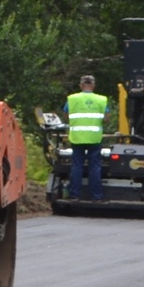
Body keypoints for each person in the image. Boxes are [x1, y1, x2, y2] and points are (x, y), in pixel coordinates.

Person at [63, 74, 110, 202]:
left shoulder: (72, 99)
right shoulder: (101, 100)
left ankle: (74, 195)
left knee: (77, 166)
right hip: (94, 138)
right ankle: (96, 197)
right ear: (93, 85)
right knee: (94, 167)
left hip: (77, 137)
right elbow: (106, 118)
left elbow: (66, 116)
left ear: (81, 85)